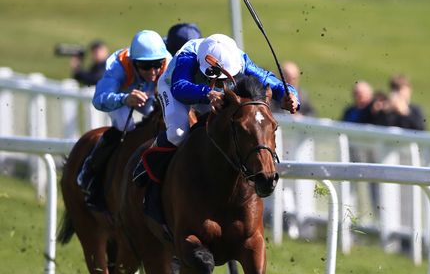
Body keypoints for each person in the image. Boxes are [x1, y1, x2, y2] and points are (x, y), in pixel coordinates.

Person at [136, 33, 299, 221]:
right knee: (177, 133)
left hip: (211, 93)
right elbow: (180, 87)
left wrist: (291, 96)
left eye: (225, 79)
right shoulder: (188, 57)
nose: (222, 84)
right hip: (175, 88)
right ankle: (149, 164)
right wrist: (207, 93)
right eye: (218, 79)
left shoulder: (240, 59)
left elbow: (272, 81)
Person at [76, 30, 171, 207]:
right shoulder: (118, 66)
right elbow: (99, 99)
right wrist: (125, 99)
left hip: (147, 95)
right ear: (134, 63)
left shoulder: (168, 62)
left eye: (157, 64)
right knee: (123, 125)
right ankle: (90, 171)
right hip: (121, 97)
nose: (153, 71)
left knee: (160, 119)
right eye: (146, 66)